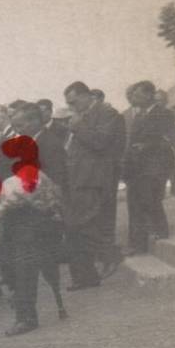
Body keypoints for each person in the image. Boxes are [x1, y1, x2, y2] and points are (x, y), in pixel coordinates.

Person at [0, 103, 68, 336]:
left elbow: (57, 180)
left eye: (20, 125)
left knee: (24, 266)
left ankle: (26, 317)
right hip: (19, 213)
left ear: (34, 122)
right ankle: (24, 308)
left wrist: (31, 190)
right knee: (16, 263)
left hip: (38, 218)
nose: (17, 129)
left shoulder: (50, 144)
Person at [63, 81, 124, 289]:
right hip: (78, 179)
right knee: (75, 229)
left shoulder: (107, 113)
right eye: (68, 103)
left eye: (73, 101)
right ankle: (85, 277)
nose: (71, 106)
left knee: (85, 226)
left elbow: (101, 142)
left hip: (94, 180)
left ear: (86, 95)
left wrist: (78, 126)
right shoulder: (80, 116)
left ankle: (110, 255)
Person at [124, 80, 175, 255]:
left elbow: (166, 139)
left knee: (150, 201)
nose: (134, 98)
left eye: (138, 95)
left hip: (154, 167)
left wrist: (146, 146)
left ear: (148, 95)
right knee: (137, 204)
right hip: (137, 167)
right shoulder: (139, 115)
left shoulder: (164, 114)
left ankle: (160, 233)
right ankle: (139, 244)